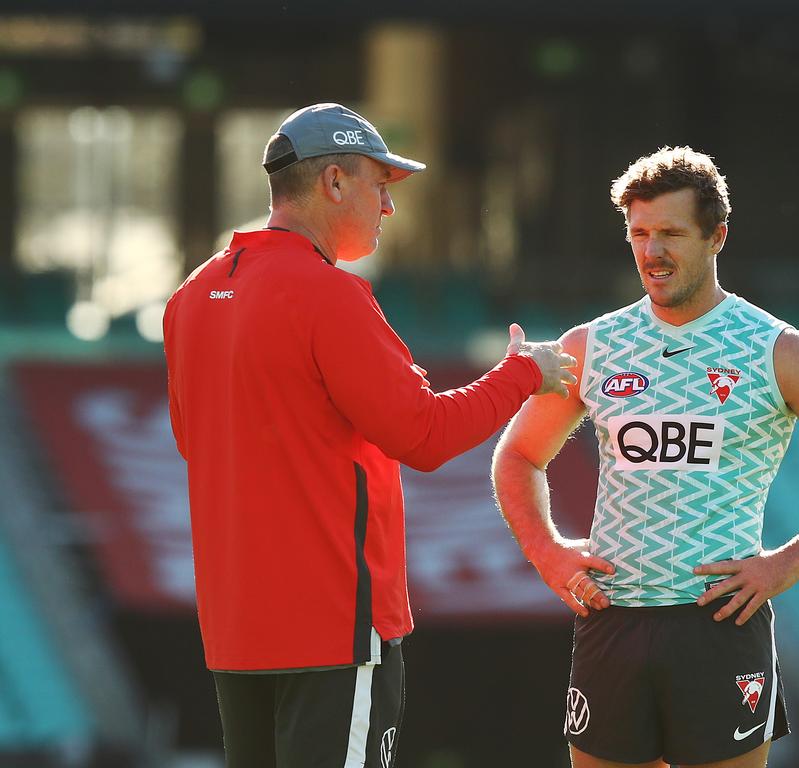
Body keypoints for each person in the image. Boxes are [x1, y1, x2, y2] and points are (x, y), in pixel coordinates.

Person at [162, 102, 577, 768]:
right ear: (332, 183)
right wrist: (523, 375)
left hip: (236, 630)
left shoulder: (191, 295)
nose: (388, 206)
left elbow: (196, 443)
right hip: (334, 630)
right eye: (379, 184)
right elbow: (426, 435)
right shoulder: (331, 297)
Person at [491, 145, 799, 768]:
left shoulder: (777, 350)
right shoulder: (593, 345)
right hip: (613, 618)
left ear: (717, 236)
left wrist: (786, 564)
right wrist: (547, 554)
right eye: (638, 234)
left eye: (670, 233)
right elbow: (518, 455)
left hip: (717, 623)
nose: (652, 252)